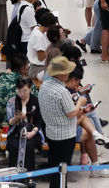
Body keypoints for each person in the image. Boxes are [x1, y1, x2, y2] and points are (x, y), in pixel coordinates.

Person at [38, 56, 87, 188]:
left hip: (51, 132)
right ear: (61, 74)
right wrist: (80, 103)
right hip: (65, 135)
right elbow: (71, 113)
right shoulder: (62, 91)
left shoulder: (45, 86)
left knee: (54, 166)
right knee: (63, 169)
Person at [5, 76, 44, 172]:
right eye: (19, 90)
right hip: (16, 131)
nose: (22, 93)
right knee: (14, 145)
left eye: (25, 90)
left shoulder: (36, 101)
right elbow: (9, 123)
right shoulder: (12, 101)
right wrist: (16, 118)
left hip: (33, 131)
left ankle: (29, 176)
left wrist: (33, 133)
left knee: (29, 145)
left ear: (30, 88)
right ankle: (13, 175)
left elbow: (39, 121)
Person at [0, 53, 38, 127]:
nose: (28, 67)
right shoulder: (28, 83)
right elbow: (36, 103)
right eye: (27, 66)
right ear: (22, 69)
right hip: (17, 124)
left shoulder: (2, 78)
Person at [27, 11, 58, 81]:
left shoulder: (38, 30)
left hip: (40, 67)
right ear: (49, 26)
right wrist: (51, 48)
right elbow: (41, 57)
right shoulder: (39, 36)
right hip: (38, 69)